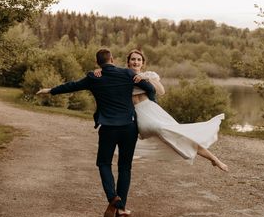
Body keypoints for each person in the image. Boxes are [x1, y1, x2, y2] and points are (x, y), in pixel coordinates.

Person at [36, 48, 155, 217]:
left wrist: (49, 90)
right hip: (129, 126)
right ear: (112, 59)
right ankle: (121, 209)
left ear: (97, 62)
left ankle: (113, 197)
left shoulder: (94, 77)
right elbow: (150, 89)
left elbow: (72, 86)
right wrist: (151, 110)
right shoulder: (128, 73)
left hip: (108, 128)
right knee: (125, 166)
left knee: (104, 163)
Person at [96, 49, 228, 172]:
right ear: (128, 62)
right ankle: (116, 164)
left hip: (152, 111)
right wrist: (99, 71)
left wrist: (146, 78)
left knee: (180, 136)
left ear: (142, 63)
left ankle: (214, 159)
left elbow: (161, 91)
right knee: (162, 132)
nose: (135, 62)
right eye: (133, 59)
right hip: (138, 114)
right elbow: (108, 74)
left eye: (138, 60)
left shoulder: (149, 75)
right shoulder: (122, 75)